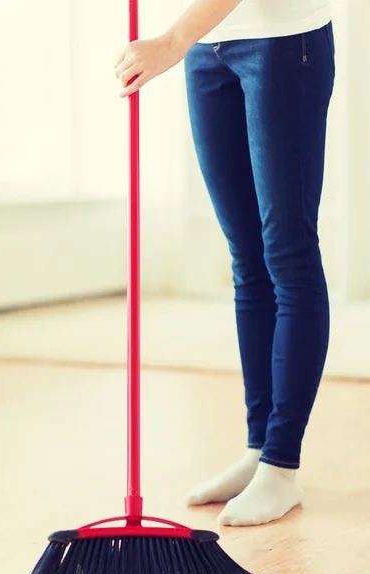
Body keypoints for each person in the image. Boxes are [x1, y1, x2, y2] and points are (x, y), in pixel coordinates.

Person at [115, 0, 335, 527]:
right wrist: (182, 42)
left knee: (288, 254)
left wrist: (169, 41)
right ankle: (259, 448)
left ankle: (281, 466)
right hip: (206, 47)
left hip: (283, 43)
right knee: (248, 259)